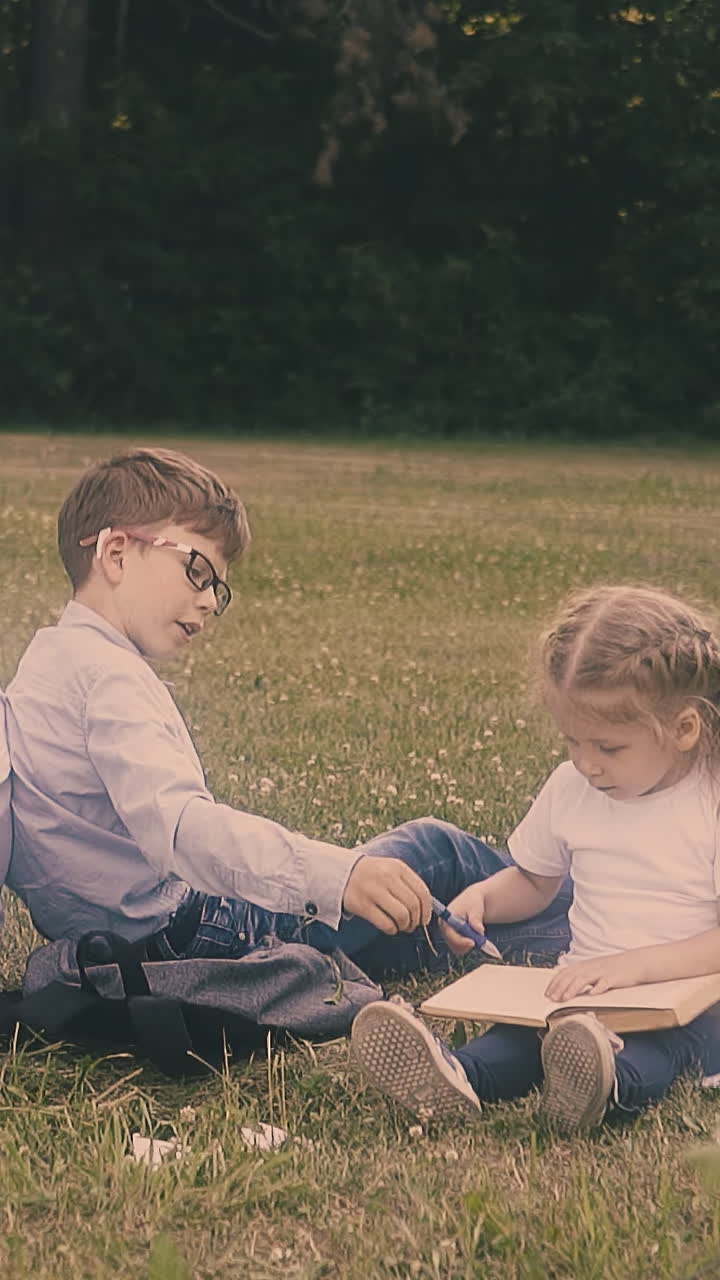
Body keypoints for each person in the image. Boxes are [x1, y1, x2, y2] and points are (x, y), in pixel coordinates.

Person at [5, 446, 572, 982]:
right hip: (197, 934)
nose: (209, 600)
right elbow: (183, 830)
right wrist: (337, 875)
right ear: (116, 554)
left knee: (414, 924)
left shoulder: (41, 673)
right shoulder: (108, 676)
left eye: (217, 588)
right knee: (433, 851)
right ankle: (612, 917)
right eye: (198, 570)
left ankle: (571, 934)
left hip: (117, 950)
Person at [351, 584, 720, 1133]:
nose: (586, 764)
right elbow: (534, 881)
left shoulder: (708, 801)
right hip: (582, 996)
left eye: (608, 748)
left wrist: (630, 969)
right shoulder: (573, 788)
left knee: (656, 1054)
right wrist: (482, 899)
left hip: (693, 1003)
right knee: (520, 1038)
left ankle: (605, 1086)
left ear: (683, 729)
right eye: (572, 741)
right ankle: (456, 1078)